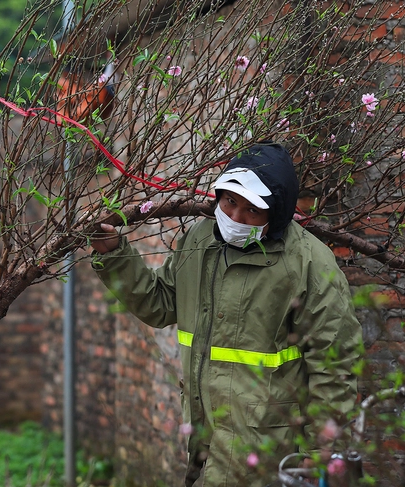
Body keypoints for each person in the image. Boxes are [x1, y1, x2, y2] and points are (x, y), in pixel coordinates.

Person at [90, 142, 362, 487]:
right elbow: (160, 305)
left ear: (275, 214)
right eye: (230, 200)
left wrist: (317, 454)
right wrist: (113, 254)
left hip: (268, 450)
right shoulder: (201, 239)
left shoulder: (308, 263)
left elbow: (335, 365)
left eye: (252, 210)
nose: (235, 217)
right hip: (205, 438)